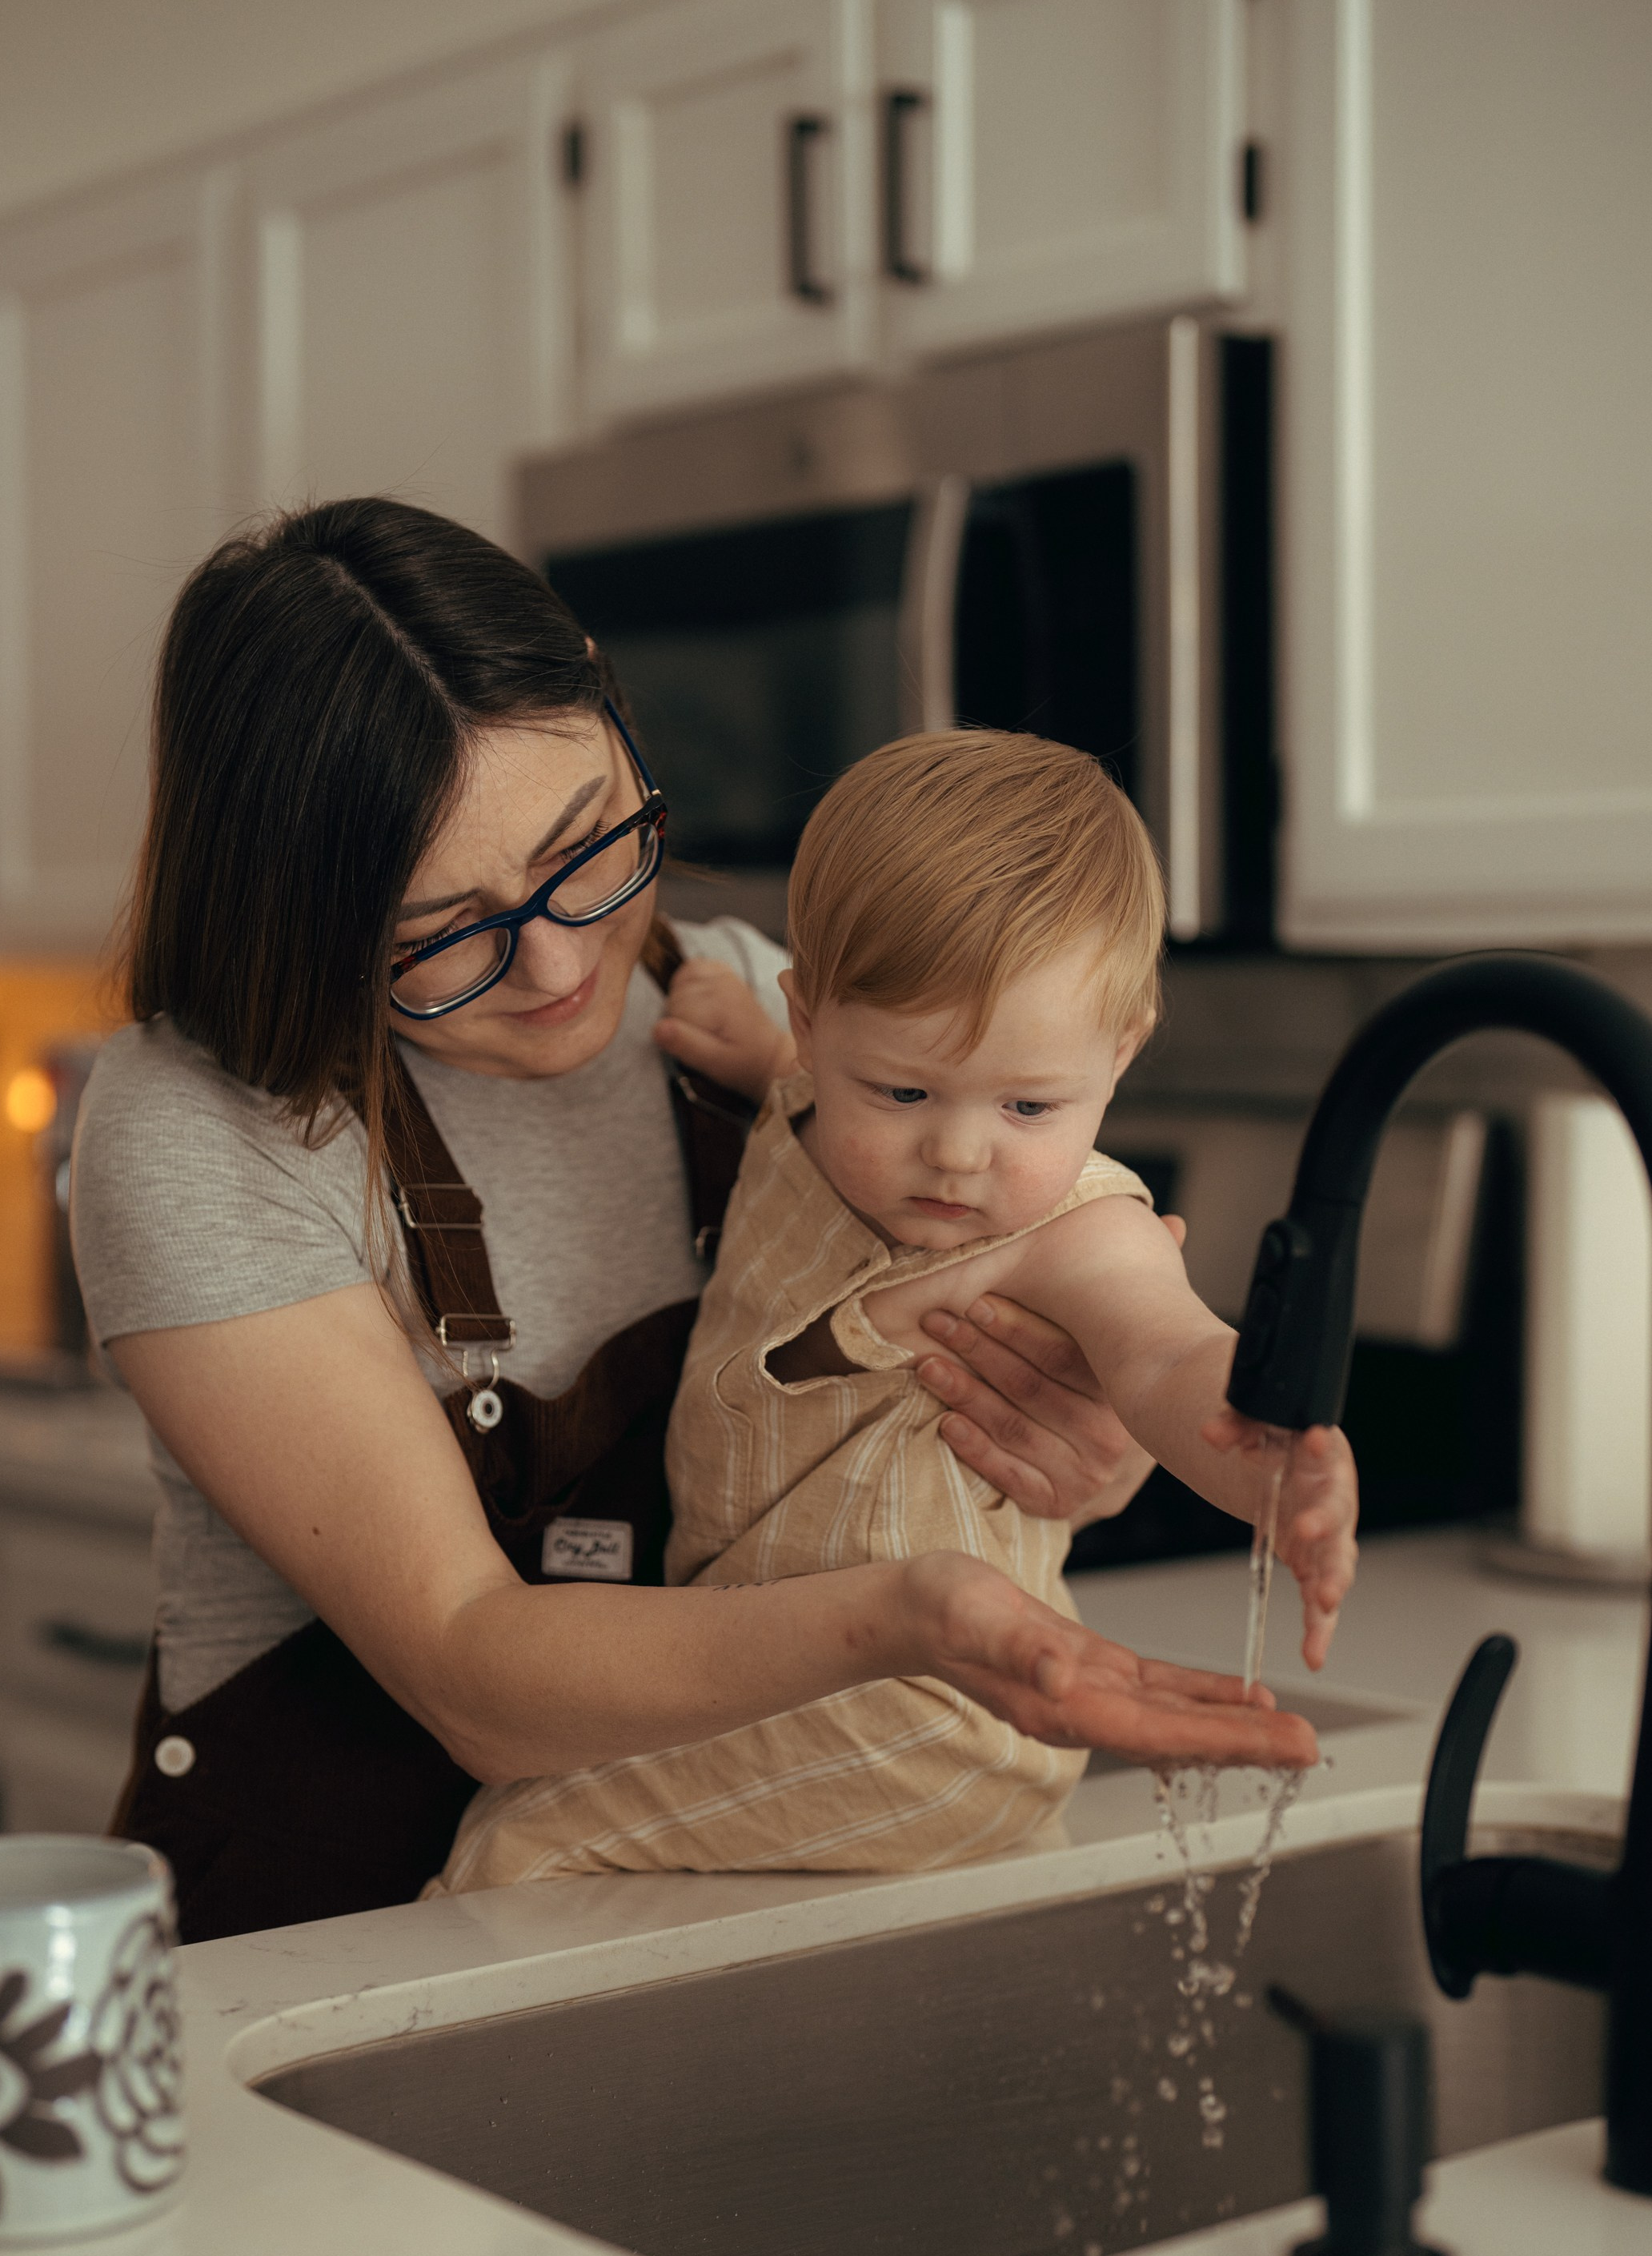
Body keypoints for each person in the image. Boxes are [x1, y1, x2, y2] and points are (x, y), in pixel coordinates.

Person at [71, 499, 1317, 1945]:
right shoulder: (206, 1127)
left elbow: (957, 1391)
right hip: (328, 1954)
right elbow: (472, 1670)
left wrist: (1072, 1457)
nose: (557, 963)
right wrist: (919, 1618)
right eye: (440, 933)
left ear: (607, 701)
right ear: (296, 908)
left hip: (694, 1913)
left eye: (587, 842)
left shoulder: (761, 1016)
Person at [441, 733, 1341, 1889]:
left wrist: (1271, 1461)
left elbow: (1168, 1356)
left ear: (1122, 1054)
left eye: (1029, 1104)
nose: (958, 1153)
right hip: (818, 1670)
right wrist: (760, 1054)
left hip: (929, 1713)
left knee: (520, 1849)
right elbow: (817, 1088)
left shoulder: (1075, 1229)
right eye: (903, 1092)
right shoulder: (807, 1092)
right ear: (810, 1025)